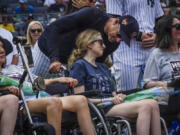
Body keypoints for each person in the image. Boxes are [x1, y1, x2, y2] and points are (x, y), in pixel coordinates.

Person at [69, 29, 161, 135]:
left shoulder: (103, 67)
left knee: (153, 103)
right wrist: (109, 99)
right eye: (100, 42)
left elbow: (113, 93)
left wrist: (119, 96)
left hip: (111, 104)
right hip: (98, 109)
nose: (103, 46)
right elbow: (80, 99)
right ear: (89, 44)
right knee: (145, 107)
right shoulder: (80, 65)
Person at [0, 36, 95, 135]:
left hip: (38, 96)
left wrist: (59, 79)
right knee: (53, 101)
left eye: (2, 47)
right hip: (22, 103)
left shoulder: (13, 68)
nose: (2, 50)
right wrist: (6, 88)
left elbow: (36, 82)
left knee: (80, 100)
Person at [31, 7, 139, 78]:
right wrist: (54, 59)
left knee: (60, 100)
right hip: (45, 53)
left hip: (68, 64)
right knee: (32, 87)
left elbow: (93, 63)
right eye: (120, 35)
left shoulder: (113, 42)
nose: (118, 40)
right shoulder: (92, 15)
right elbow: (54, 28)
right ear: (115, 21)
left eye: (123, 39)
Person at [105, 0, 164, 91]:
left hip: (152, 48)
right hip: (127, 50)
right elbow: (115, 22)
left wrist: (158, 36)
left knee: (156, 94)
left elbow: (160, 19)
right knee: (128, 95)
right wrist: (140, 36)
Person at [143, 15, 180, 114]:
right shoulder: (157, 54)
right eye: (178, 27)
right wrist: (166, 84)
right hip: (167, 98)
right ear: (167, 30)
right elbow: (147, 84)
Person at [0, 36, 18, 135]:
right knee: (11, 100)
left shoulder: (8, 71)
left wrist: (6, 88)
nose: (2, 50)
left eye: (2, 47)